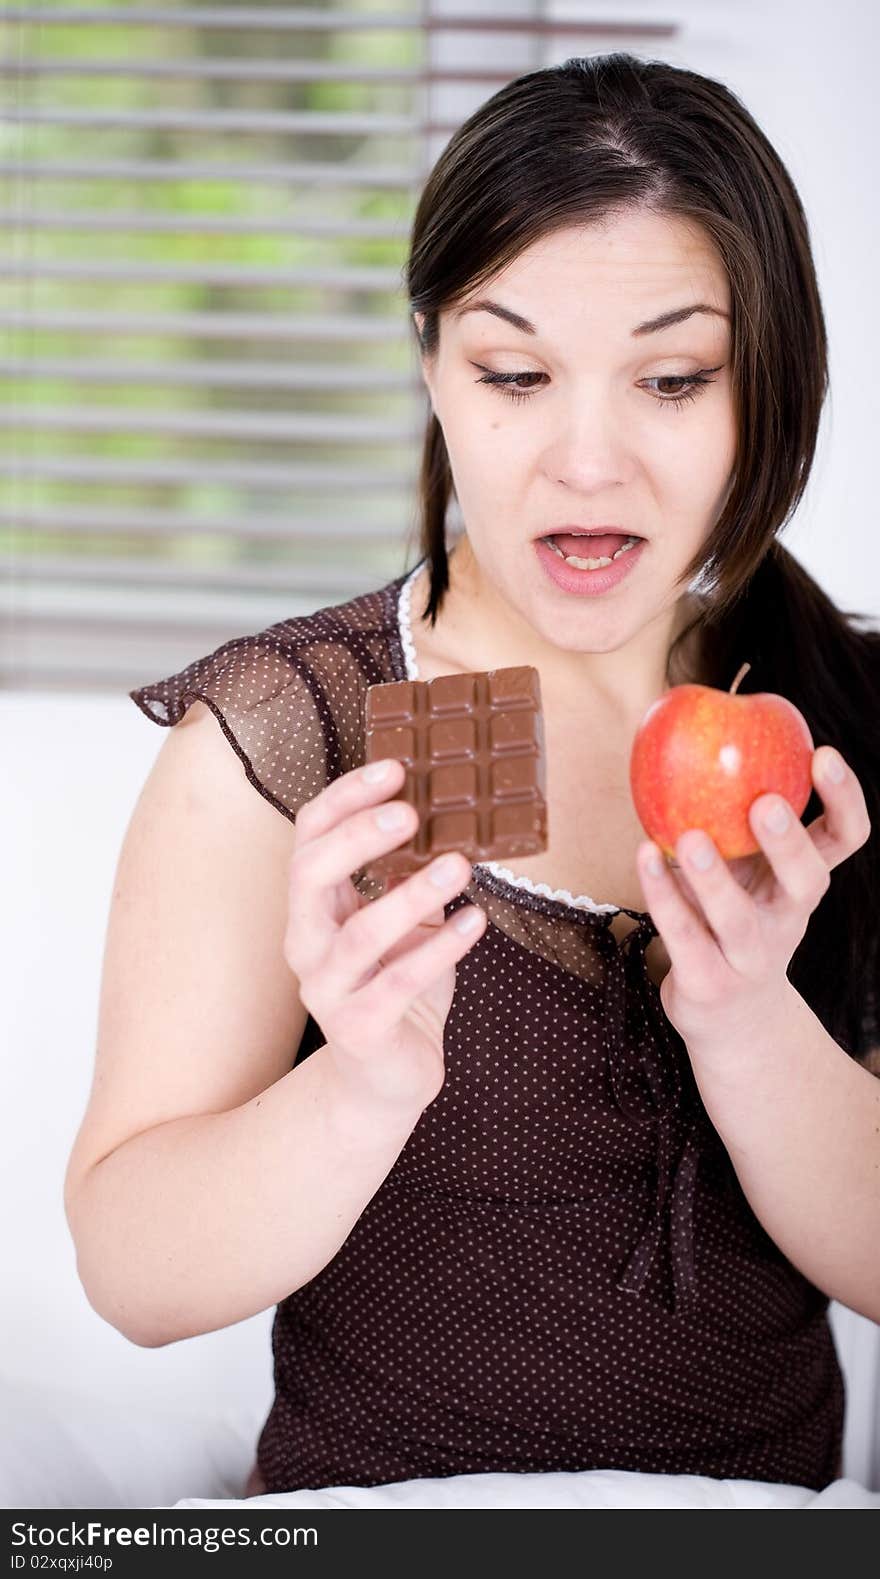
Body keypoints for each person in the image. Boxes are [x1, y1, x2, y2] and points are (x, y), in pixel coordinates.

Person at [64, 54, 879, 1501]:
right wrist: (364, 1086)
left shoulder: (854, 717)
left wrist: (748, 1022)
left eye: (674, 379)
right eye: (514, 374)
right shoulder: (296, 735)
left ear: (773, 381)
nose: (585, 460)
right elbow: (132, 1268)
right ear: (434, 364)